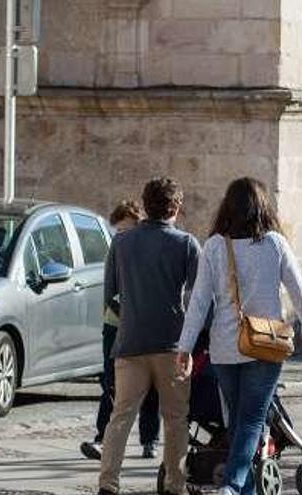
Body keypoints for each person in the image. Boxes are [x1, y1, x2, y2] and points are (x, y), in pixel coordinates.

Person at [176, 177, 302, 495]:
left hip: (225, 347)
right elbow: (298, 288)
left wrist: (185, 347)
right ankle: (232, 485)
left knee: (238, 422)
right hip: (266, 345)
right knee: (253, 420)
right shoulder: (274, 243)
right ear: (262, 208)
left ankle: (245, 489)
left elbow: (198, 302)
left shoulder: (214, 246)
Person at [98, 178, 200, 495]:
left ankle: (108, 484)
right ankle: (174, 485)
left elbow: (110, 295)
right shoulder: (186, 244)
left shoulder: (122, 242)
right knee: (175, 420)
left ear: (145, 205)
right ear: (177, 208)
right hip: (173, 344)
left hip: (130, 343)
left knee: (120, 417)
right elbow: (198, 299)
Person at [81, 200, 160, 461]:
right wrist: (111, 314)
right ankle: (102, 438)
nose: (122, 236)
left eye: (127, 230)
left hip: (145, 325)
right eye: (118, 232)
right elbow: (109, 286)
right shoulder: (116, 249)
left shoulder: (147, 251)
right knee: (111, 383)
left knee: (150, 385)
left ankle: (149, 439)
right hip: (116, 323)